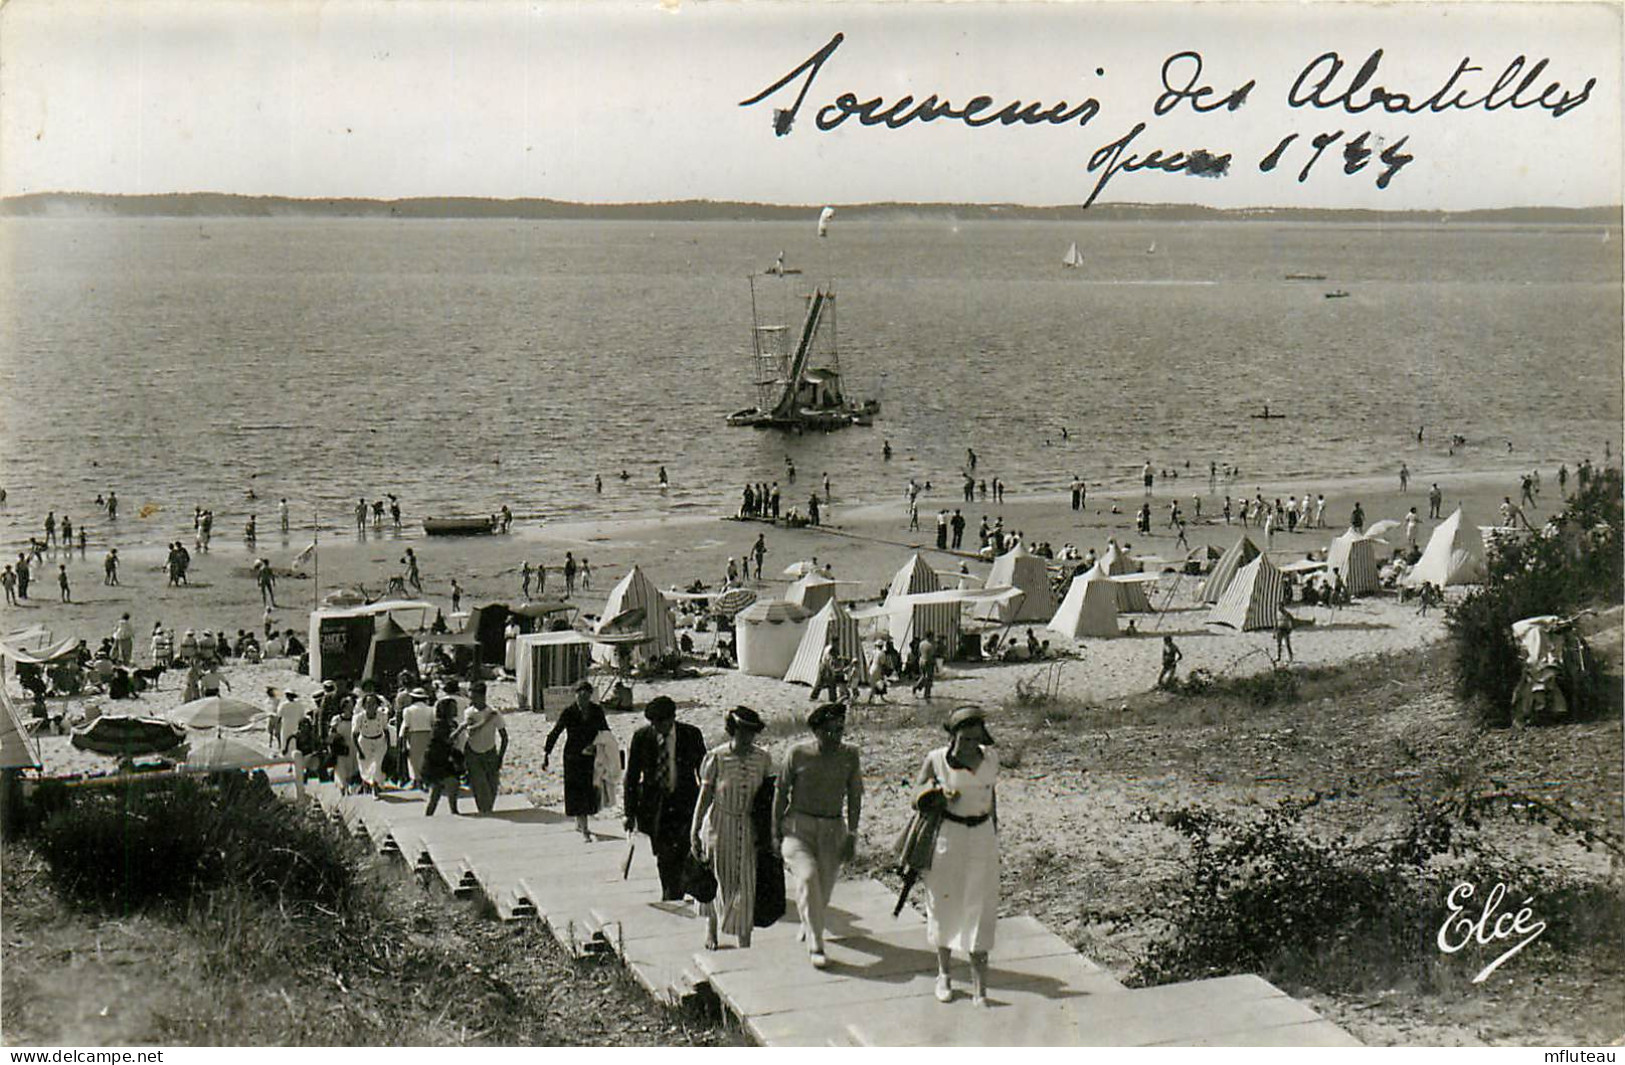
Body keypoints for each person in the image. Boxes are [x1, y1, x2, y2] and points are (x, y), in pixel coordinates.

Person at [915, 706, 1000, 1006]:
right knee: (943, 905)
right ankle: (944, 974)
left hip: (982, 836)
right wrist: (936, 794)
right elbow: (916, 793)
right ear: (953, 737)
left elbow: (992, 799)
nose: (970, 746)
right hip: (949, 838)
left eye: (975, 740)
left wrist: (995, 830)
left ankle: (980, 989)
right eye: (964, 739)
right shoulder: (937, 759)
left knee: (982, 907)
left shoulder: (991, 759)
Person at [772, 703, 863, 969]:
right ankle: (816, 944)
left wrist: (853, 834)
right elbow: (780, 793)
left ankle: (809, 923)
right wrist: (774, 831)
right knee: (808, 878)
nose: (836, 736)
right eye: (830, 731)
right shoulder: (798, 754)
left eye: (840, 729)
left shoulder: (850, 755)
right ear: (817, 731)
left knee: (823, 890)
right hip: (799, 827)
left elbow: (855, 796)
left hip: (834, 828)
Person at [691, 706, 772, 951]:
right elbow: (705, 796)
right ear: (732, 731)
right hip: (720, 823)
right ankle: (711, 927)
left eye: (752, 733)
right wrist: (694, 829)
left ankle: (744, 941)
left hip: (748, 826)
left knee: (745, 884)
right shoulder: (716, 757)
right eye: (743, 732)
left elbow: (768, 796)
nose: (748, 738)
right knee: (720, 878)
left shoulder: (762, 758)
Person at [623, 695, 708, 901]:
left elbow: (705, 773)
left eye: (660, 722)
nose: (656, 727)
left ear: (672, 719)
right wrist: (629, 813)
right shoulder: (642, 738)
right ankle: (670, 893)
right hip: (655, 807)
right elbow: (632, 777)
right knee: (664, 856)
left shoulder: (691, 735)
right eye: (652, 723)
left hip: (685, 804)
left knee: (685, 852)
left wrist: (706, 806)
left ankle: (678, 892)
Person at [544, 679, 607, 838]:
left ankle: (581, 824)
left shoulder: (596, 711)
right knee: (575, 791)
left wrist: (600, 747)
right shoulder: (569, 712)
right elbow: (556, 731)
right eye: (579, 694)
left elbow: (605, 731)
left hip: (590, 755)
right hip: (572, 756)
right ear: (575, 695)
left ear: (590, 696)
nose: (582, 698)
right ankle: (583, 827)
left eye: (586, 694)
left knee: (588, 790)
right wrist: (547, 753)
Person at [461, 681, 509, 815]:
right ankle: (484, 811)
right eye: (471, 697)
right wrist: (486, 720)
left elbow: (504, 736)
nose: (472, 700)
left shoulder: (494, 713)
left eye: (474, 697)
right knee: (479, 785)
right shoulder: (469, 712)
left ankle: (488, 810)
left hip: (490, 751)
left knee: (492, 785)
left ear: (483, 697)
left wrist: (500, 756)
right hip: (473, 752)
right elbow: (470, 732)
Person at [423, 697, 465, 816]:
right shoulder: (439, 724)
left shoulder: (452, 723)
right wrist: (461, 728)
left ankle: (453, 811)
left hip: (446, 760)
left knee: (450, 786)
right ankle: (431, 816)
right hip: (436, 761)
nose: (455, 709)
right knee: (436, 793)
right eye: (453, 707)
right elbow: (447, 740)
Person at [352, 692, 393, 796]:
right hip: (365, 743)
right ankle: (368, 784)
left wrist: (388, 746)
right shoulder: (359, 717)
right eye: (368, 704)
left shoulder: (382, 716)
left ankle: (375, 787)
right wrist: (359, 751)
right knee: (366, 766)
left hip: (379, 742)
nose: (371, 706)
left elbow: (386, 730)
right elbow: (354, 735)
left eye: (374, 703)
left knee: (377, 765)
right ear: (364, 705)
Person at [399, 687, 436, 788]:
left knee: (413, 759)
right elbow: (433, 724)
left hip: (414, 735)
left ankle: (416, 780)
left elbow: (406, 727)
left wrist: (403, 743)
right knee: (425, 758)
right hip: (427, 734)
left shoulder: (408, 710)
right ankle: (425, 780)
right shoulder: (430, 709)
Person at [913, 631, 938, 700]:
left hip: (921, 660)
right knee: (929, 678)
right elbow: (932, 656)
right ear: (930, 636)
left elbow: (919, 653)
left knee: (923, 676)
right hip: (928, 661)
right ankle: (927, 693)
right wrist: (936, 666)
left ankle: (916, 686)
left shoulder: (921, 643)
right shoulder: (930, 645)